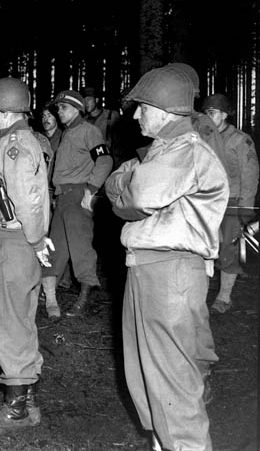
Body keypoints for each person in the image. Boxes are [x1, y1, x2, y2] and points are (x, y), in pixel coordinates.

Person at [105, 65, 229, 451]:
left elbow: (135, 196)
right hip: (149, 268)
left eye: (142, 107)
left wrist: (126, 179)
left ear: (163, 109)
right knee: (148, 380)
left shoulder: (186, 151)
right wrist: (125, 180)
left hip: (171, 271)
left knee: (172, 381)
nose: (136, 115)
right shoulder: (162, 152)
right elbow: (120, 187)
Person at [0, 77, 53, 437]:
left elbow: (27, 198)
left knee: (6, 323)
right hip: (15, 242)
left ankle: (16, 409)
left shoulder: (14, 143)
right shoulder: (15, 141)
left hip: (8, 243)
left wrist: (35, 240)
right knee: (18, 320)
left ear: (4, 111)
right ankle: (26, 399)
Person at [39, 90, 112, 317]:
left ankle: (83, 301)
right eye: (58, 108)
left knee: (80, 249)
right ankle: (50, 301)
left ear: (78, 109)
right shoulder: (64, 134)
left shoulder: (89, 131)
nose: (59, 112)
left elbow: (105, 160)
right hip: (62, 197)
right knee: (54, 248)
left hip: (79, 194)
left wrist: (91, 190)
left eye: (64, 108)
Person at [201, 94, 259, 313]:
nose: (208, 117)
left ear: (224, 115)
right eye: (205, 113)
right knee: (204, 248)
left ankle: (224, 297)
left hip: (232, 204)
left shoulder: (240, 140)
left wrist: (246, 207)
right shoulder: (203, 137)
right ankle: (200, 295)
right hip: (206, 203)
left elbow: (250, 174)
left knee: (229, 250)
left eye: (212, 113)